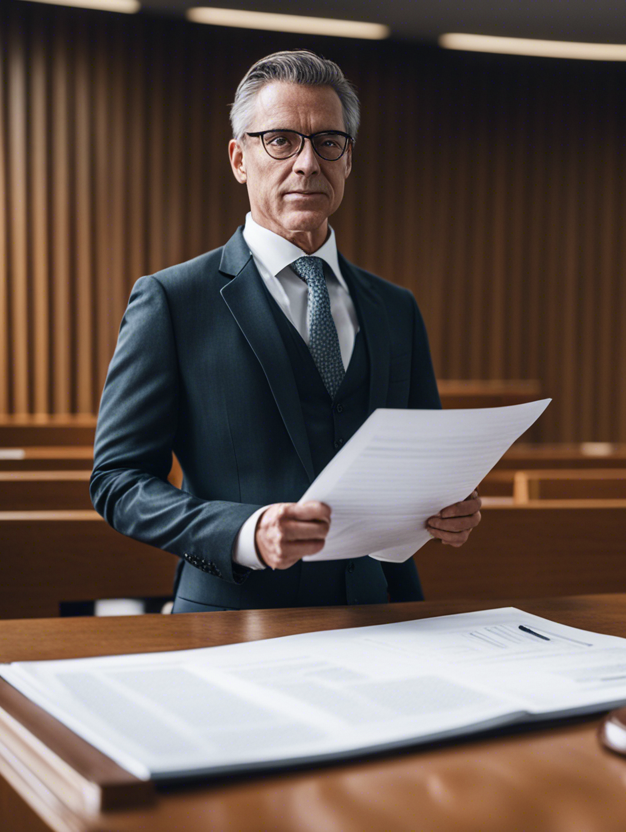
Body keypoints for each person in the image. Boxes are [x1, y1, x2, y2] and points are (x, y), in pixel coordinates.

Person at [91, 50, 481, 613]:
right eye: (281, 140)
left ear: (348, 160)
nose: (306, 163)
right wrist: (244, 532)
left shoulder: (397, 309)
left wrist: (451, 509)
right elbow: (118, 481)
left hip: (382, 619)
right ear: (239, 159)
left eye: (328, 142)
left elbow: (426, 470)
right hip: (229, 622)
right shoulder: (173, 301)